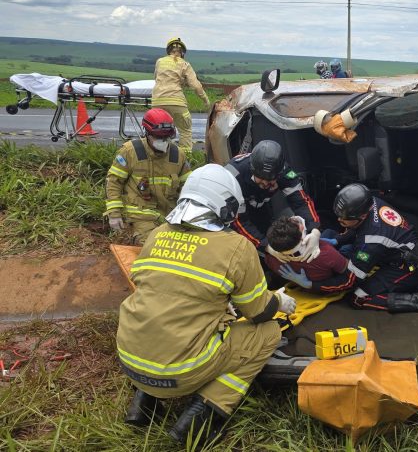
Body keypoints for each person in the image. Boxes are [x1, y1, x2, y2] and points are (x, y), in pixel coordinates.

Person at [116, 164, 296, 448]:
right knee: (268, 333)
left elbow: (168, 291)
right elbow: (258, 311)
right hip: (180, 371)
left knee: (167, 315)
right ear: (226, 207)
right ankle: (201, 419)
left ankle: (143, 405)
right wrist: (280, 301)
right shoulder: (237, 247)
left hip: (129, 360)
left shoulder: (157, 234)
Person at [278, 183, 418, 319]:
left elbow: (349, 280)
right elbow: (357, 229)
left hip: (410, 265)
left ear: (360, 217)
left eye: (344, 219)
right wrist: (336, 239)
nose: (339, 220)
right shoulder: (369, 201)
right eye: (338, 215)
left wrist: (312, 285)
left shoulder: (370, 243)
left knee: (358, 297)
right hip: (403, 247)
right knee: (344, 244)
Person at [105, 108, 191, 245]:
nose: (163, 141)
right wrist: (114, 214)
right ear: (147, 133)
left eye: (166, 138)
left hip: (170, 217)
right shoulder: (130, 152)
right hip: (141, 215)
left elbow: (188, 188)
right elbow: (114, 182)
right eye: (158, 137)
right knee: (151, 245)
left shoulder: (178, 155)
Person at [225, 140, 321, 261]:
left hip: (262, 205)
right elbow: (238, 221)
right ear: (252, 169)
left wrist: (315, 229)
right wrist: (265, 246)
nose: (265, 183)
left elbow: (301, 201)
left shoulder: (284, 171)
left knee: (267, 228)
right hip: (234, 211)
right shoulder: (233, 175)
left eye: (270, 180)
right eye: (261, 178)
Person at [151, 37, 210, 152]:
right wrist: (205, 99)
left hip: (157, 101)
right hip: (176, 102)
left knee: (160, 131)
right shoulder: (184, 64)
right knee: (185, 131)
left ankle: (159, 154)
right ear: (182, 52)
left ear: (168, 50)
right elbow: (196, 85)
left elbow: (156, 78)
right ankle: (186, 159)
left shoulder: (160, 61)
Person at [265, 216, 348, 283]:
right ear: (302, 239)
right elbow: (349, 276)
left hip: (302, 289)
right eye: (299, 226)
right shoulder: (327, 252)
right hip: (326, 288)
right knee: (331, 233)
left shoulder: (271, 259)